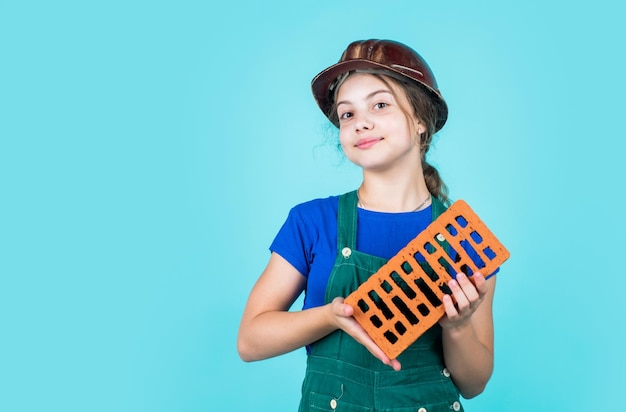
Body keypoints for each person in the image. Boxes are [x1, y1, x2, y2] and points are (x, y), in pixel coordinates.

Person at [237, 39, 496, 412]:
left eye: (380, 104)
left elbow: (473, 384)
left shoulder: (463, 238)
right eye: (347, 114)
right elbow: (250, 340)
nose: (361, 122)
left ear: (421, 121)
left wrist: (457, 327)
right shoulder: (312, 222)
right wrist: (331, 316)